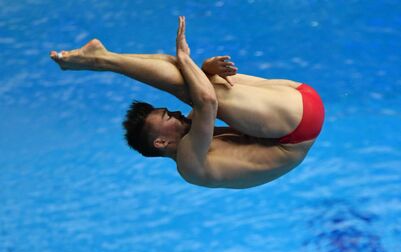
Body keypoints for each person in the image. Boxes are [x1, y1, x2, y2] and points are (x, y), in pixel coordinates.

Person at [50, 16, 324, 190]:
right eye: (169, 117)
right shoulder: (190, 164)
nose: (179, 114)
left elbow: (202, 88)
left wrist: (202, 67)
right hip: (297, 125)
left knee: (184, 75)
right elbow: (205, 100)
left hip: (296, 103)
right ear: (160, 143)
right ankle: (101, 60)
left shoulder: (190, 136)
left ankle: (105, 56)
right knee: (187, 80)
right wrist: (184, 56)